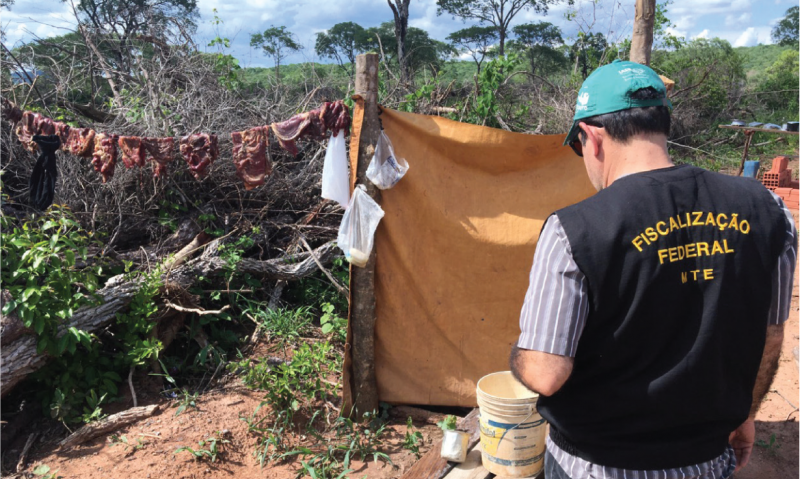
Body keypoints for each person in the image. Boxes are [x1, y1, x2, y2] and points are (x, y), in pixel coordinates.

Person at [509, 60, 796, 479]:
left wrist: (518, 355)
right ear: (661, 123)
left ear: (592, 137)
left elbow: (545, 373)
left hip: (596, 465)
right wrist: (745, 413)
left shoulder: (574, 230)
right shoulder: (767, 209)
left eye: (578, 147)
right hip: (706, 459)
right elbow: (769, 337)